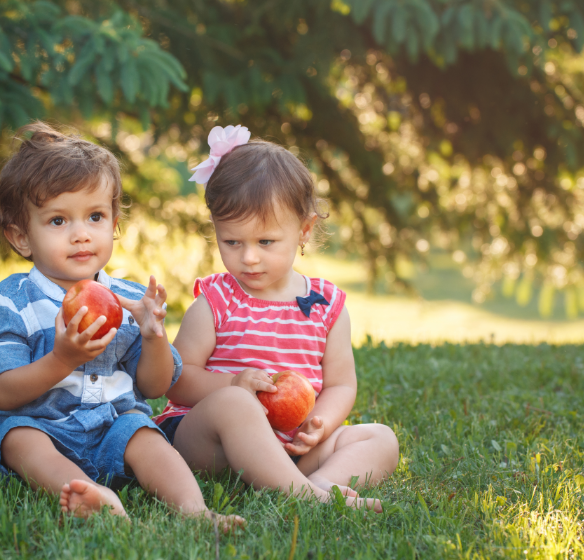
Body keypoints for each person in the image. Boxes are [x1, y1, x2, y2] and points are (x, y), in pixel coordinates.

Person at [0, 122, 243, 529]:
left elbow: (154, 387)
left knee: (144, 433)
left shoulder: (125, 299)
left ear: (113, 222)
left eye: (94, 216)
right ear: (21, 236)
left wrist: (153, 337)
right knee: (16, 438)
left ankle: (196, 511)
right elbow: (2, 392)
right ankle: (86, 491)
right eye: (58, 221)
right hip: (45, 429)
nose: (81, 235)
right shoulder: (13, 301)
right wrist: (62, 359)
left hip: (114, 430)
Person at [154, 125, 400, 511]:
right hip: (213, 445)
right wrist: (233, 383)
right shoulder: (215, 301)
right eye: (232, 242)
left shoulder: (326, 306)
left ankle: (316, 487)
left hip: (290, 446)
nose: (248, 257)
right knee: (237, 403)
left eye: (265, 242)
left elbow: (340, 386)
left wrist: (317, 425)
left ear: (304, 230)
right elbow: (177, 382)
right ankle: (302, 494)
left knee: (381, 438)